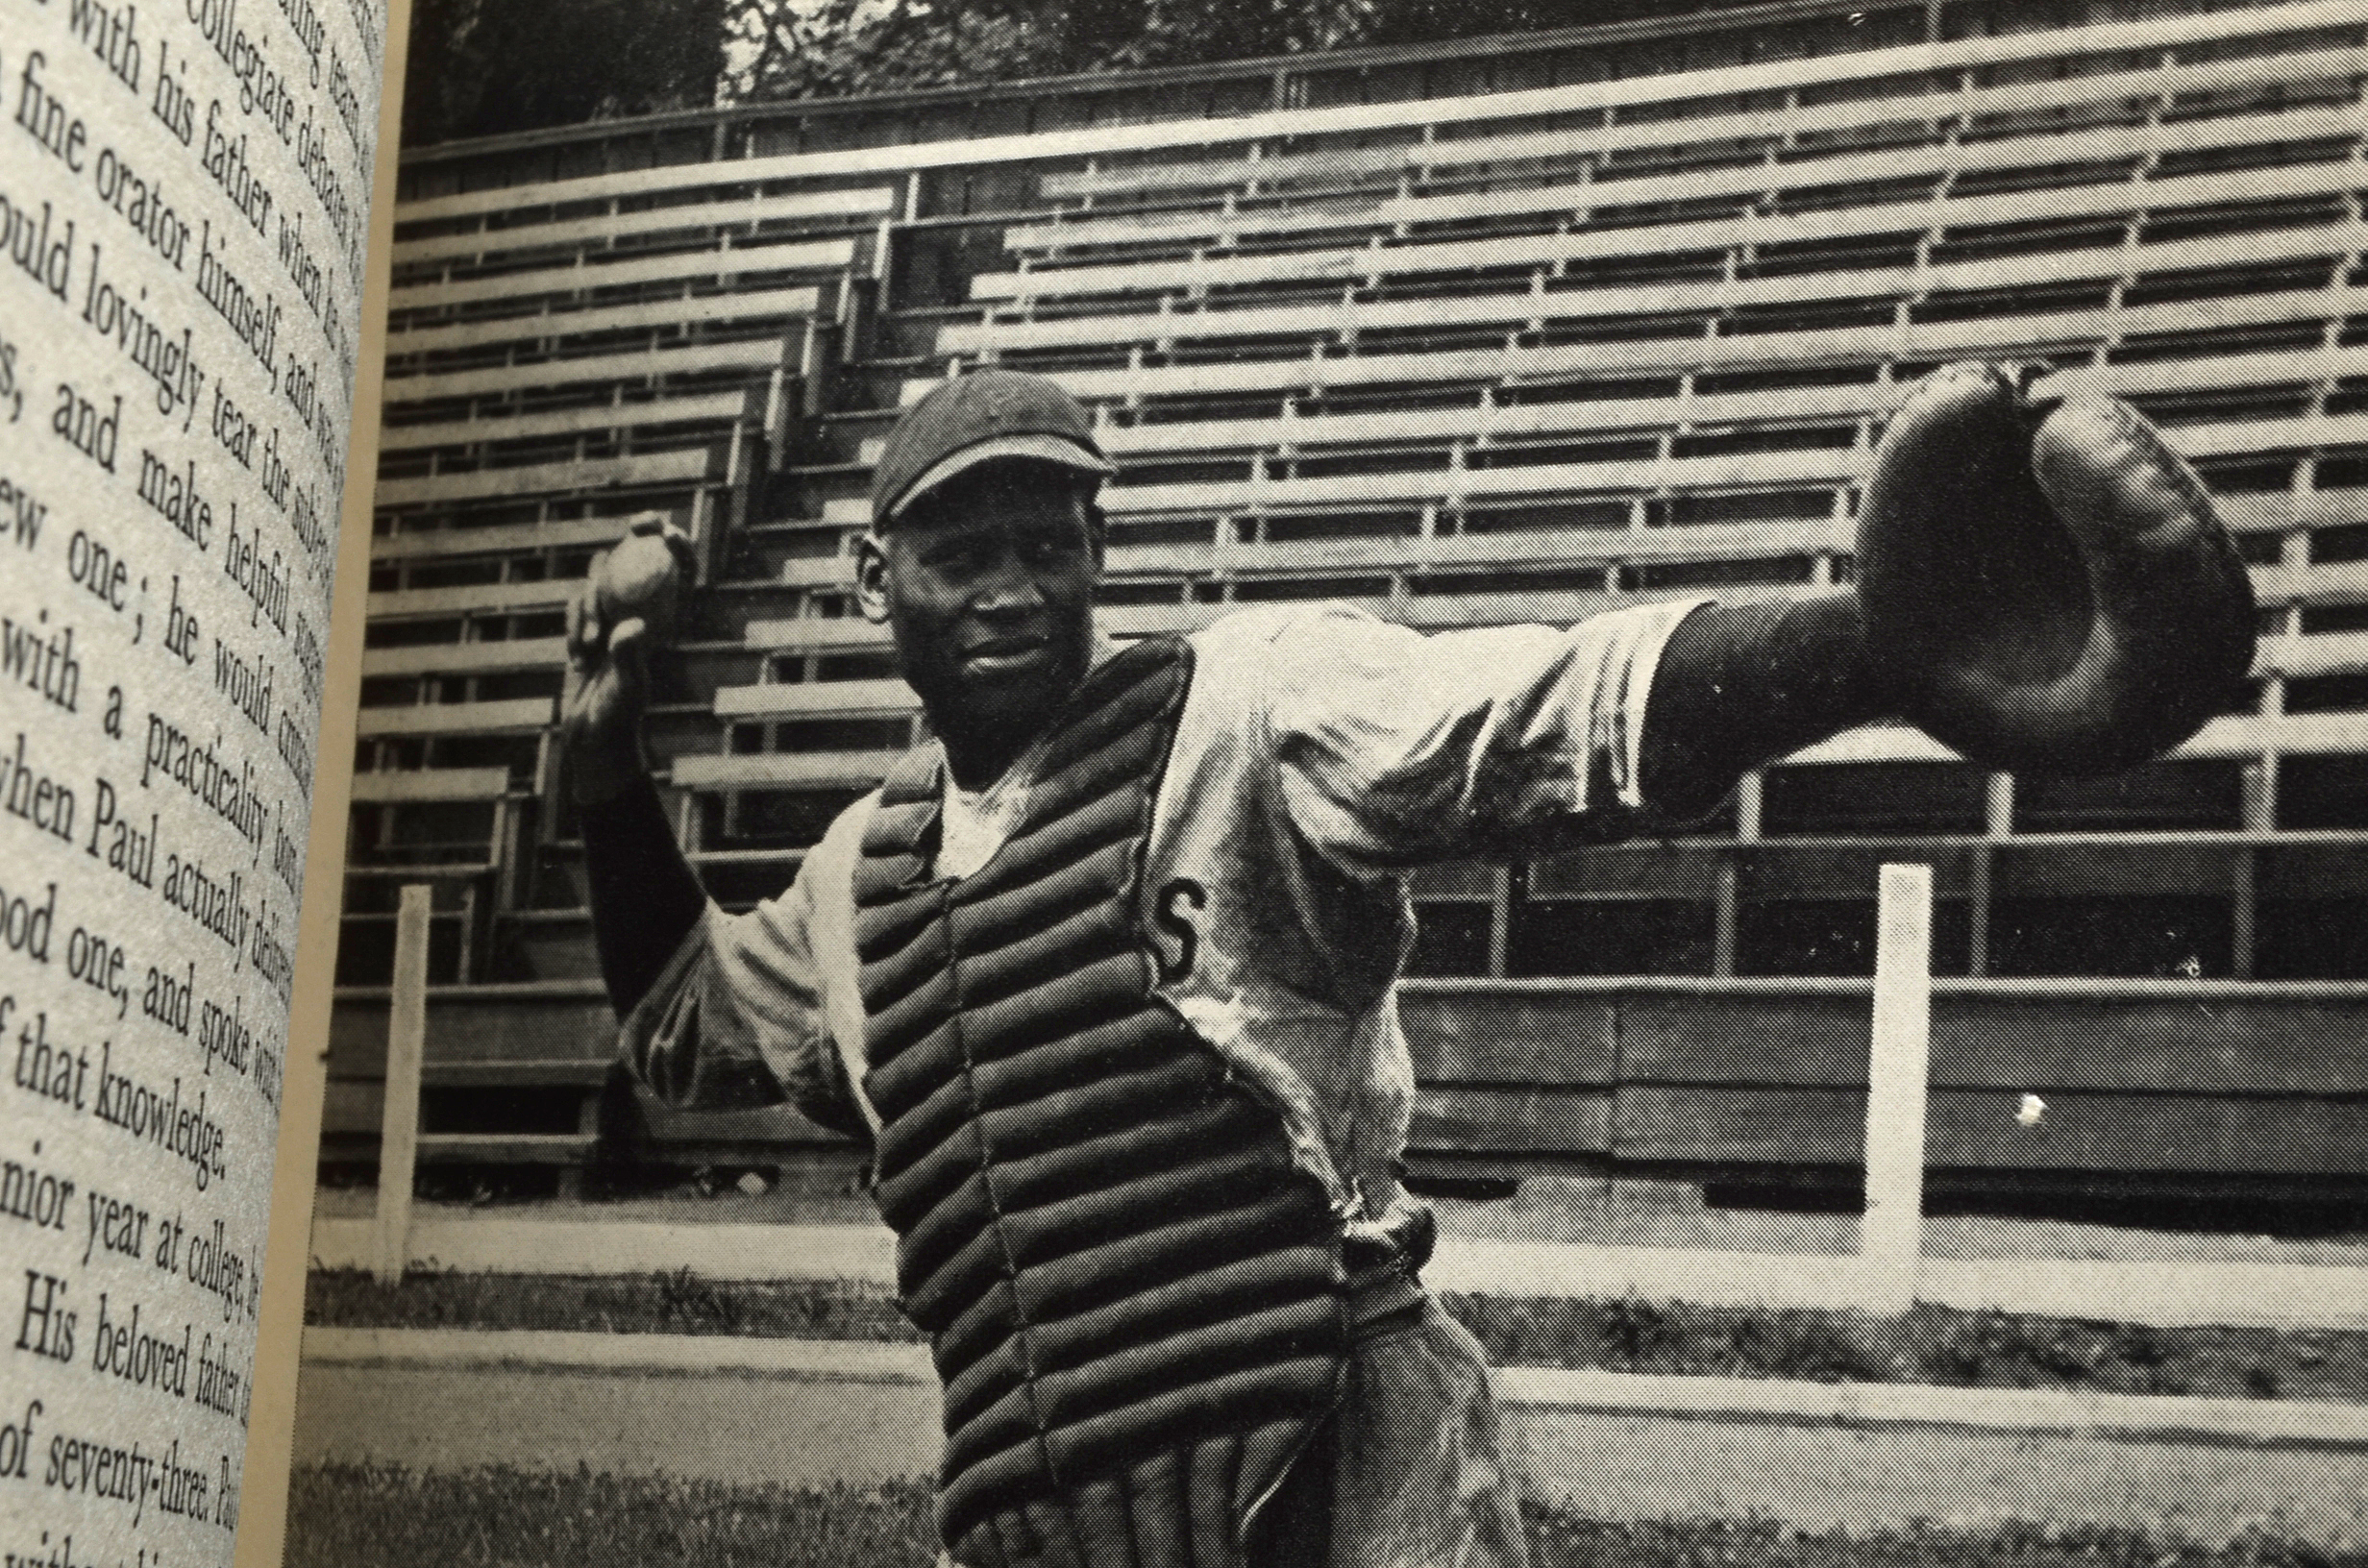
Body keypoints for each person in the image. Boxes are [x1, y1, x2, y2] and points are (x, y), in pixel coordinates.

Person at [562, 364, 2253, 1568]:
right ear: (877, 580)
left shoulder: (1247, 706)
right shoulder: (867, 872)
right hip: (1048, 1503)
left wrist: (1876, 651)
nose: (1012, 585)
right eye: (960, 551)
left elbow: (1547, 712)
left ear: (1096, 545)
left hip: (1333, 1433)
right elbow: (683, 1029)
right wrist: (603, 778)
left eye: (1047, 537)